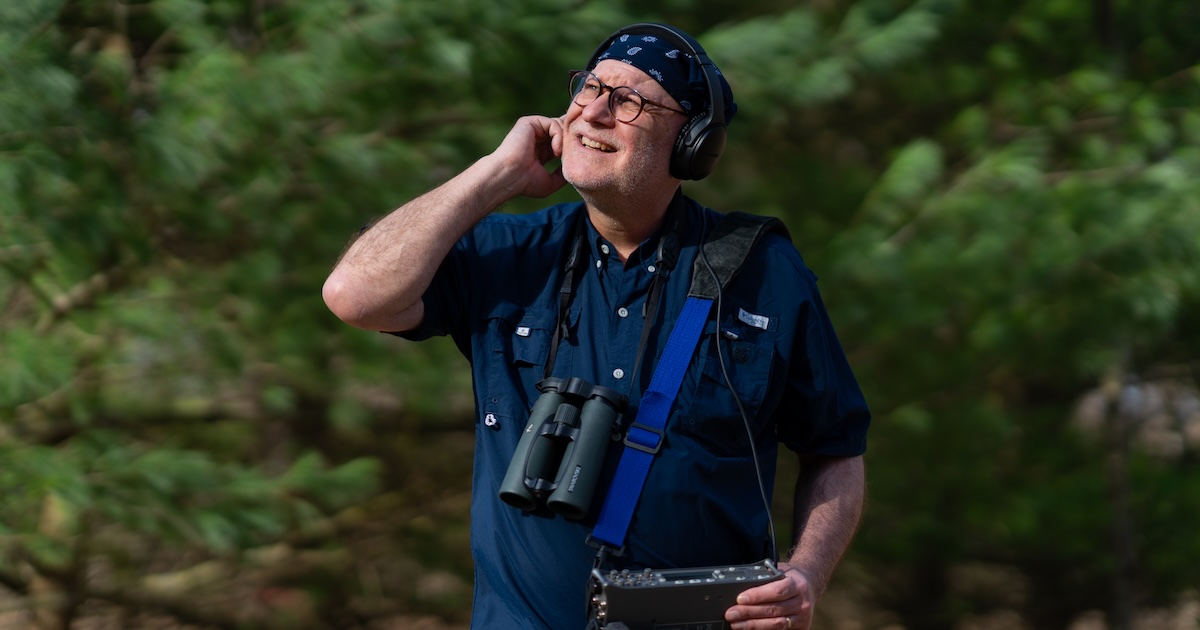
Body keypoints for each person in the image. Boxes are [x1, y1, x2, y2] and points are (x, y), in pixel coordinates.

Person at [323, 22, 870, 630]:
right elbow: (355, 295)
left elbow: (836, 451)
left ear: (691, 143)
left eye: (631, 100)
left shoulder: (763, 270)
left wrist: (807, 573)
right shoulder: (509, 253)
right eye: (589, 87)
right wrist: (497, 173)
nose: (595, 112)